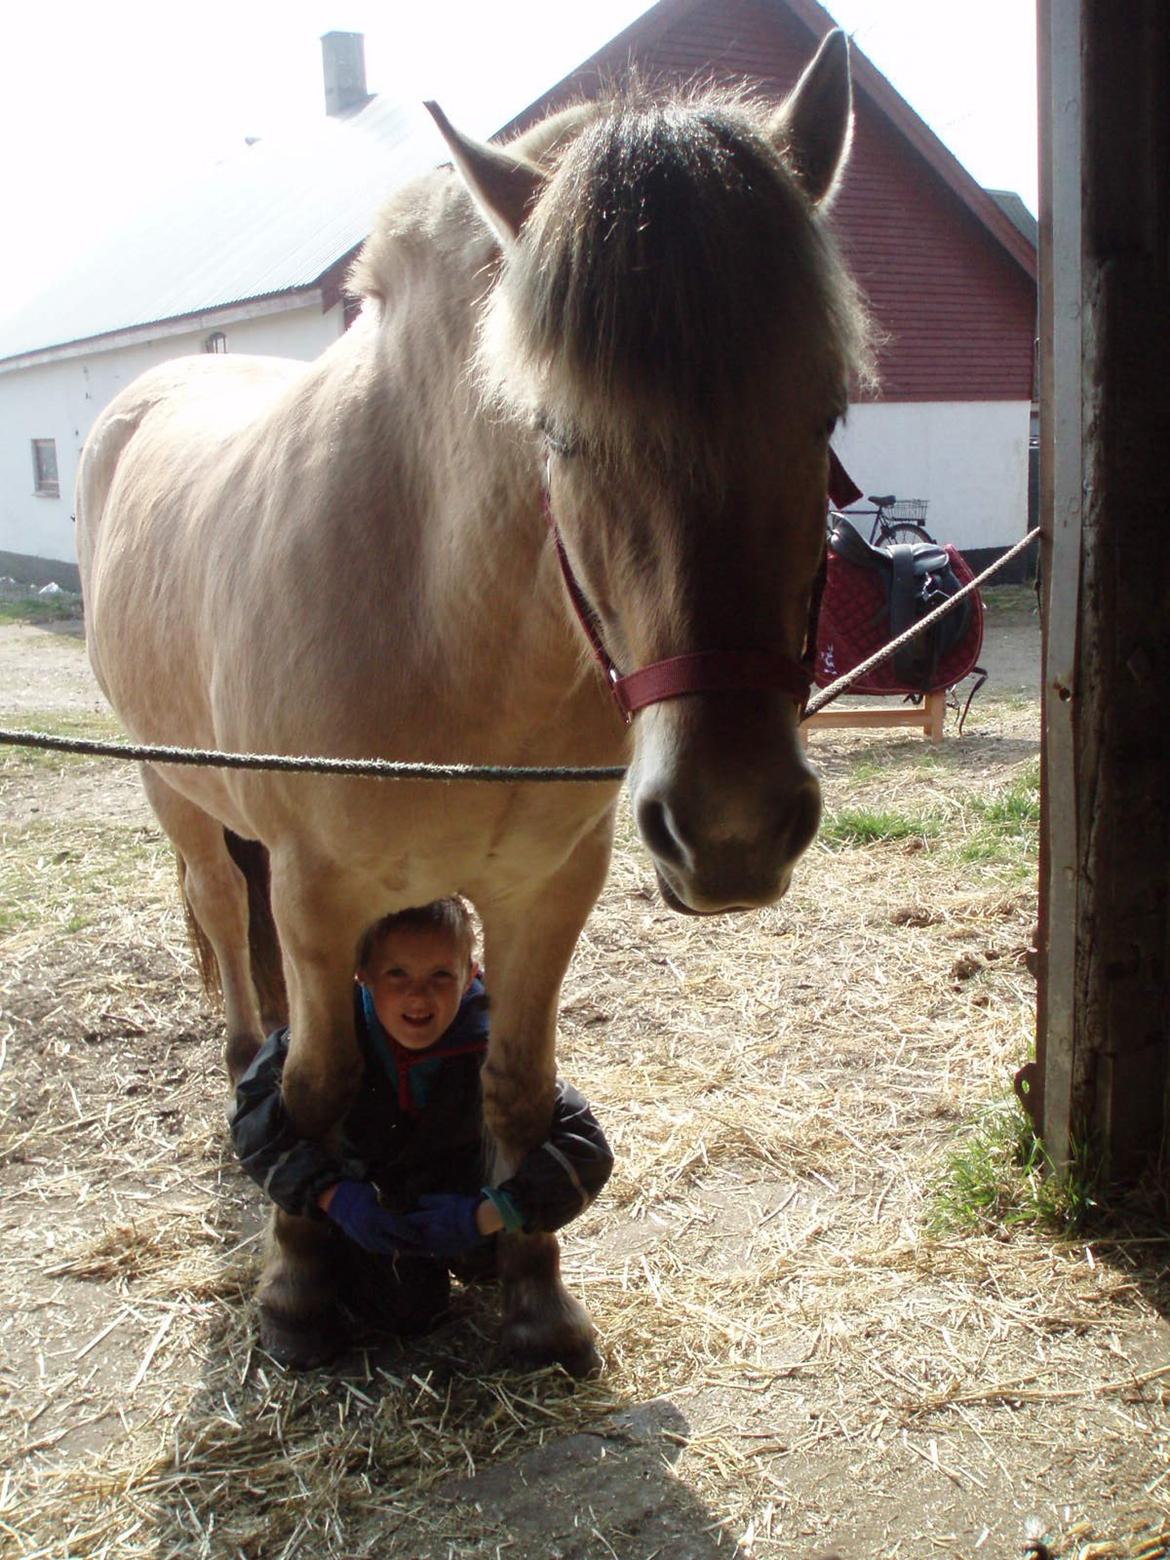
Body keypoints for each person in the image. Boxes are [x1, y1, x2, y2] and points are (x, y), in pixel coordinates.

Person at [230, 897, 613, 1365]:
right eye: (397, 975)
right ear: (362, 974)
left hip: (469, 1212)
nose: (418, 997)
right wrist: (331, 1196)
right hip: (377, 1212)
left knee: (485, 1263)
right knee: (402, 1312)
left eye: (440, 976)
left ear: (470, 974)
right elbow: (253, 1119)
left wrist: (494, 1213)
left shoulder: (493, 1040)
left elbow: (586, 1146)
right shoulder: (326, 1032)